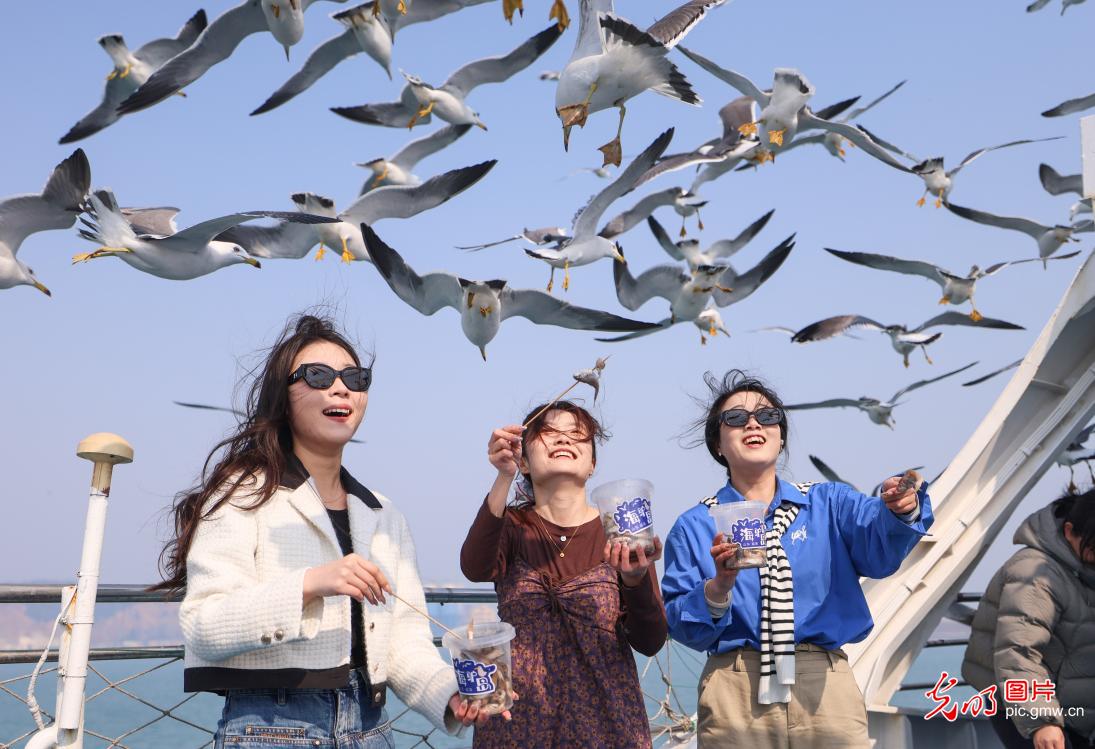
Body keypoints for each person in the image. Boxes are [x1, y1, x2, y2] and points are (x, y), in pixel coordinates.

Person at [153, 314, 499, 748]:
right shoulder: (241, 494)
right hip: (271, 729)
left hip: (371, 731)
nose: (341, 388)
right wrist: (312, 583)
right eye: (318, 376)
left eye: (355, 377)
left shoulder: (383, 513)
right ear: (283, 396)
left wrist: (450, 695)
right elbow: (203, 624)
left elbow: (403, 643)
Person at [660, 370, 933, 748]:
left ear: (781, 435)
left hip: (824, 681)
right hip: (735, 686)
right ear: (718, 444)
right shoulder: (694, 526)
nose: (753, 423)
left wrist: (901, 509)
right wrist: (718, 589)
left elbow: (880, 549)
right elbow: (680, 624)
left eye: (767, 416)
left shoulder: (829, 504)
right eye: (736, 418)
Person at [460, 400, 668, 747]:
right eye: (548, 433)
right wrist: (503, 476)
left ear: (592, 464)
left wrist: (635, 579)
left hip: (608, 723)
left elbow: (650, 641)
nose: (564, 440)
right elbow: (475, 566)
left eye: (577, 434)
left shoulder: (619, 530)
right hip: (518, 724)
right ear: (523, 459)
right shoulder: (511, 526)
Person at [962, 488, 1095, 749]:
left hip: (1074, 703)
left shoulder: (1084, 568)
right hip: (1024, 706)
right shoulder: (1035, 574)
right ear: (1069, 532)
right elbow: (1018, 652)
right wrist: (1041, 720)